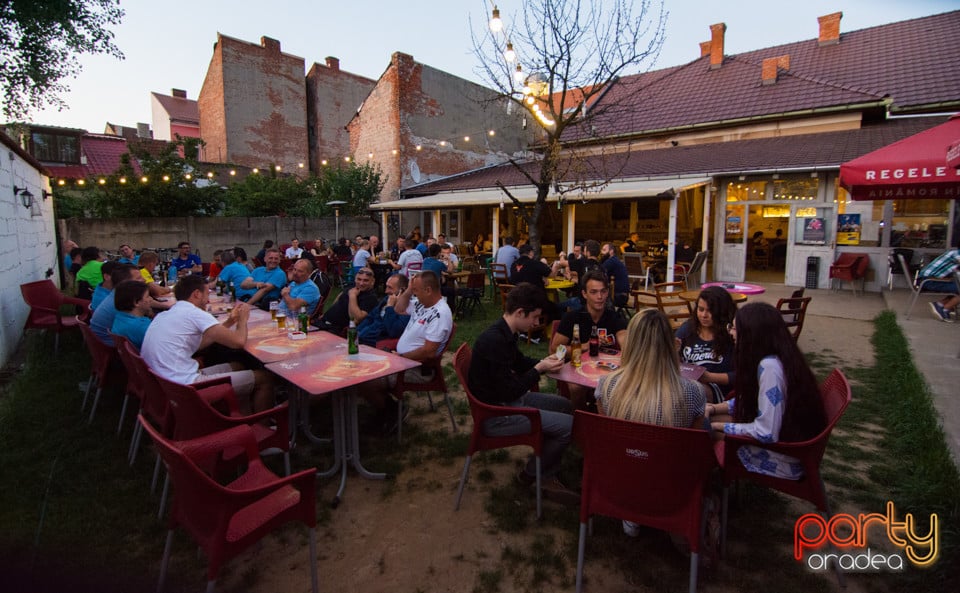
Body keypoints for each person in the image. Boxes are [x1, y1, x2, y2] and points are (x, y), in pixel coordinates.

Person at [595, 308, 707, 537]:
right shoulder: (693, 392)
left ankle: (633, 515)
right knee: (706, 430)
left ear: (631, 342)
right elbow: (691, 452)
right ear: (670, 343)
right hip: (670, 489)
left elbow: (608, 436)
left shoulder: (606, 386)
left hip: (620, 483)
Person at [468, 282, 578, 504]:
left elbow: (519, 364)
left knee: (565, 406)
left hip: (505, 400)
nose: (536, 323)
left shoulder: (505, 332)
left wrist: (543, 362)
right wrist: (539, 369)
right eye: (535, 317)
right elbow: (511, 391)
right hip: (496, 414)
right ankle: (532, 474)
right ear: (520, 312)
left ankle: (546, 469)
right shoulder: (495, 341)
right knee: (569, 427)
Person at [707, 302, 826, 480]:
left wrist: (717, 426)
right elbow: (755, 400)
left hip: (784, 458)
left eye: (734, 328)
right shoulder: (781, 357)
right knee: (707, 420)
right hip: (791, 442)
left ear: (752, 334)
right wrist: (715, 408)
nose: (730, 332)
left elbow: (766, 432)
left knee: (702, 430)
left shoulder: (770, 368)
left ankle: (708, 489)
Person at [141, 274, 275, 414]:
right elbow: (238, 342)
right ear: (197, 294)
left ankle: (242, 414)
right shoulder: (195, 313)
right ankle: (263, 426)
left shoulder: (167, 314)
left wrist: (230, 321)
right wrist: (243, 320)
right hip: (186, 386)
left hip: (167, 381)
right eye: (206, 295)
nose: (208, 300)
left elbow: (198, 344)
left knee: (238, 366)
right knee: (264, 378)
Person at [550, 270, 629, 409]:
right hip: (577, 367)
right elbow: (555, 349)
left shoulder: (614, 317)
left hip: (606, 369)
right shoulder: (572, 318)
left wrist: (627, 344)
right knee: (576, 388)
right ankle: (582, 419)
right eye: (593, 292)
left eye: (603, 291)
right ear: (584, 294)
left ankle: (608, 421)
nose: (599, 296)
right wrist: (585, 346)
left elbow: (624, 337)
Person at [676, 286, 736, 403]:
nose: (704, 315)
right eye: (700, 309)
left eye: (710, 311)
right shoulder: (688, 329)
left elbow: (741, 375)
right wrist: (673, 351)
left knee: (691, 390)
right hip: (683, 384)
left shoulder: (732, 335)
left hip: (717, 390)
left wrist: (709, 377)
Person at [90, 263, 150, 346]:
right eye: (139, 278)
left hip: (109, 338)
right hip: (110, 344)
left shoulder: (118, 295)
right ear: (126, 283)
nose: (144, 280)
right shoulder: (119, 303)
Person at [316, 266, 378, 334]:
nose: (361, 283)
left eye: (366, 280)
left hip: (335, 329)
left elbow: (356, 319)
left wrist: (352, 296)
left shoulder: (371, 297)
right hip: (323, 322)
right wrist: (326, 313)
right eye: (359, 279)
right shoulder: (352, 286)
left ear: (372, 282)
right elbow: (339, 296)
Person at [357, 273, 411, 346]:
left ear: (402, 290)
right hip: (362, 338)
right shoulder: (386, 299)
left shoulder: (407, 309)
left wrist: (389, 307)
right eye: (386, 287)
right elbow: (370, 317)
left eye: (390, 287)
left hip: (375, 345)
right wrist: (357, 331)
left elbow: (393, 331)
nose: (386, 291)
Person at [918, 248, 960, 322]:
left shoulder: (954, 253)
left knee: (957, 286)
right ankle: (946, 309)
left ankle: (940, 305)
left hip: (928, 279)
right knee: (958, 287)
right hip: (928, 281)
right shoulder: (956, 254)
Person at [110, 280, 154, 350]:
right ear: (136, 302)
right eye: (148, 296)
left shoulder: (120, 316)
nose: (151, 299)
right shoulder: (141, 327)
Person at [600, 242, 630, 308]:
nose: (602, 252)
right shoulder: (615, 260)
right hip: (623, 296)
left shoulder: (611, 262)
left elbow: (599, 273)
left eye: (604, 250)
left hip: (618, 297)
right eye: (602, 250)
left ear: (611, 251)